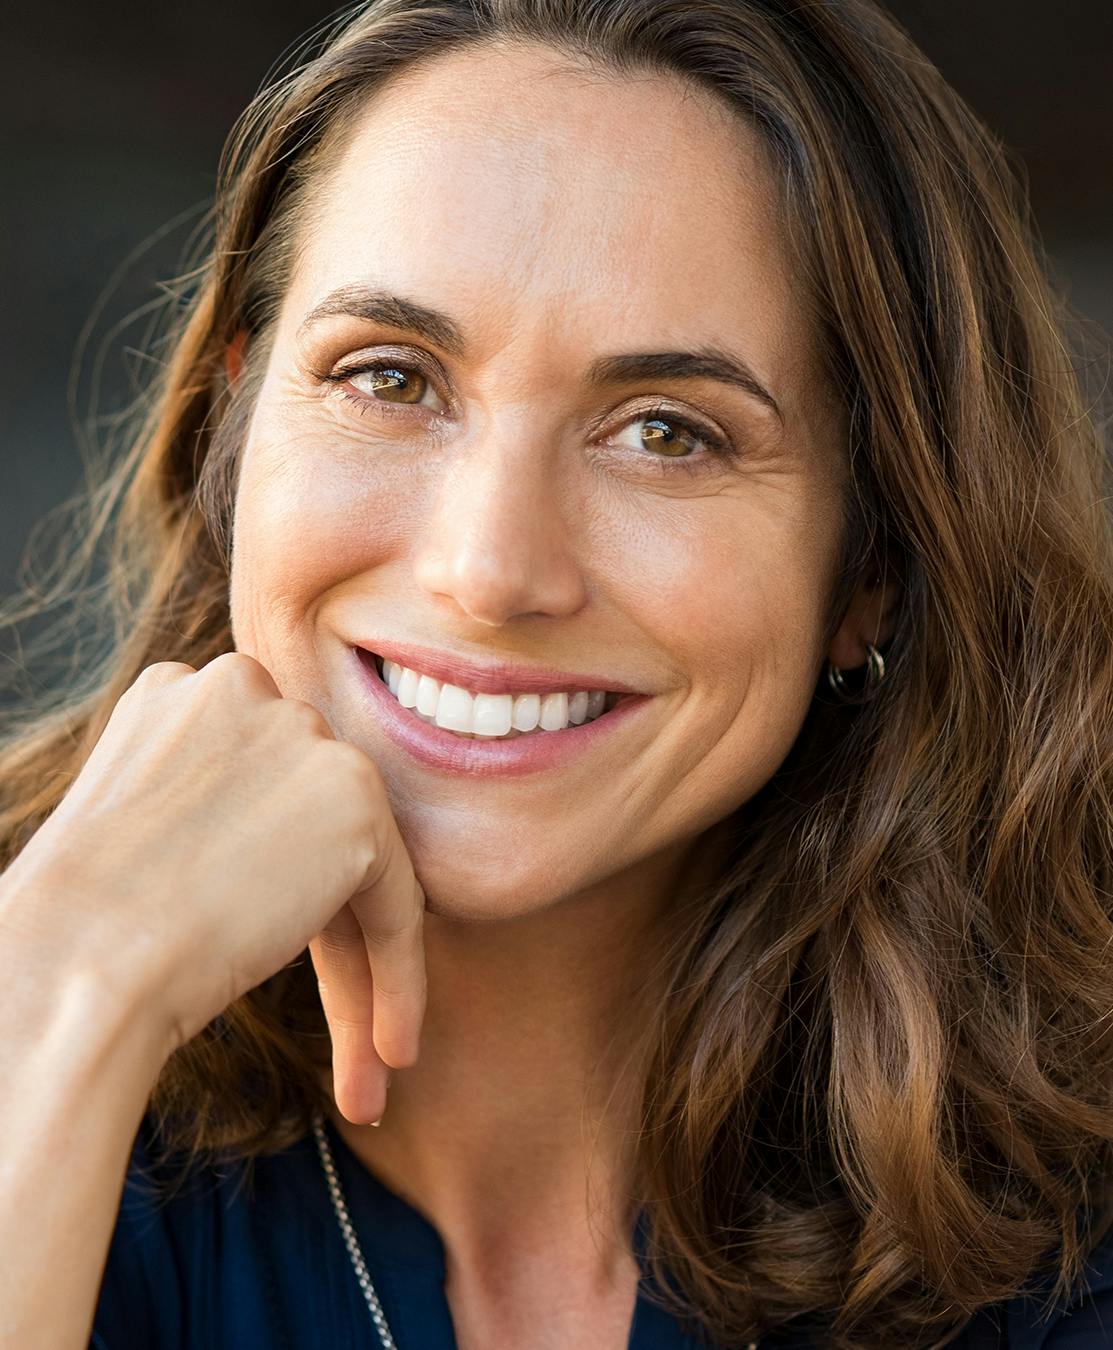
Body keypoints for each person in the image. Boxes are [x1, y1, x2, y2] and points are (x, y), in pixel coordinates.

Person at [1, 0, 1111, 1346]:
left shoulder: (1062, 1235)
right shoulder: (49, 1007)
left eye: (665, 430)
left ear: (868, 566)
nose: (490, 568)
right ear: (237, 430)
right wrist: (64, 985)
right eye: (390, 377)